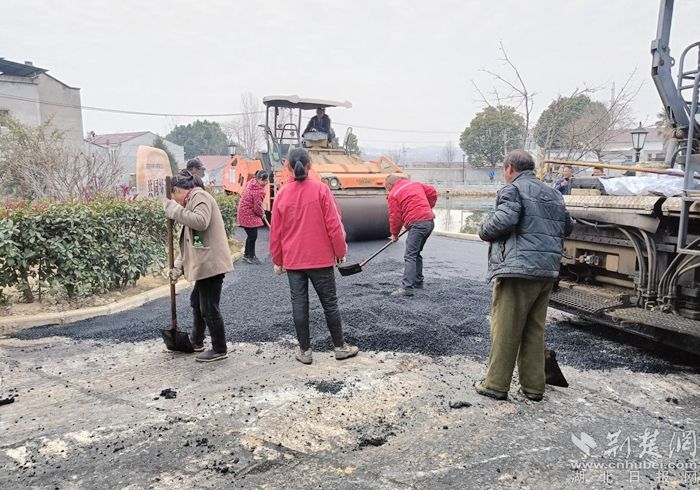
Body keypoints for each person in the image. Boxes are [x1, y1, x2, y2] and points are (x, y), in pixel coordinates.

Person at [475, 150, 573, 401]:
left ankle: (495, 384)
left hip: (518, 270)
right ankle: (533, 387)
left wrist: (483, 230)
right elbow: (568, 226)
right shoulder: (553, 192)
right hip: (547, 270)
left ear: (509, 168)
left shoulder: (513, 189)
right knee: (534, 329)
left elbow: (505, 220)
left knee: (506, 327)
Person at [269, 148, 359, 365]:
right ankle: (339, 347)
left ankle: (305, 352)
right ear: (310, 165)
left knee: (299, 304)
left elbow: (276, 232)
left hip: (293, 261)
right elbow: (334, 225)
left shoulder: (281, 194)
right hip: (320, 259)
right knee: (330, 303)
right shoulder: (321, 190)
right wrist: (340, 252)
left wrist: (278, 260)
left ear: (288, 167)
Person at [164, 173, 233, 362]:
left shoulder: (199, 197)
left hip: (211, 264)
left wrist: (175, 210)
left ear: (177, 191)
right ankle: (197, 340)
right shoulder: (191, 201)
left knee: (209, 308)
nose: (174, 201)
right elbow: (193, 242)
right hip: (205, 263)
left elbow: (201, 222)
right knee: (197, 302)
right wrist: (179, 266)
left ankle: (220, 348)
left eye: (173, 197)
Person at [385, 174, 438, 297]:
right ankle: (418, 281)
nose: (387, 189)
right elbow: (432, 192)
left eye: (386, 187)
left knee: (410, 255)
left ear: (390, 184)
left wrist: (394, 234)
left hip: (418, 225)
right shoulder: (415, 184)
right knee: (416, 253)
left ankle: (406, 287)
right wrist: (427, 207)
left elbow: (395, 217)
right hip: (429, 223)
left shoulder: (393, 194)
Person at [237, 170, 269, 264]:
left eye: (267, 180)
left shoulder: (252, 182)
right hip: (247, 213)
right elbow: (257, 207)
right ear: (259, 179)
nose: (266, 183)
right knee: (252, 236)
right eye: (265, 181)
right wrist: (262, 214)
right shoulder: (258, 191)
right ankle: (251, 256)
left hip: (244, 211)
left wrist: (261, 213)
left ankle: (248, 255)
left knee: (251, 236)